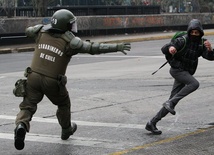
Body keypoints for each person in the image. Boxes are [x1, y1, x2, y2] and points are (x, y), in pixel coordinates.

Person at [13, 9, 131, 150]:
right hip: (52, 81)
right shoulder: (70, 41)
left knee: (27, 105)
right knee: (63, 104)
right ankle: (66, 130)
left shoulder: (40, 32)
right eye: (71, 24)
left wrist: (40, 27)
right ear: (66, 26)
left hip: (33, 77)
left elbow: (28, 31)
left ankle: (21, 125)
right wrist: (116, 47)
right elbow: (93, 48)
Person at [145, 19, 214, 135]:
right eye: (192, 32)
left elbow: (210, 57)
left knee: (172, 101)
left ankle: (152, 122)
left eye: (197, 33)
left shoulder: (201, 43)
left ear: (200, 33)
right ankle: (169, 104)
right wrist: (171, 48)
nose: (194, 34)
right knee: (194, 84)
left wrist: (210, 49)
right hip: (177, 70)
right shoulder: (182, 40)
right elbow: (164, 48)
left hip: (186, 73)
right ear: (189, 32)